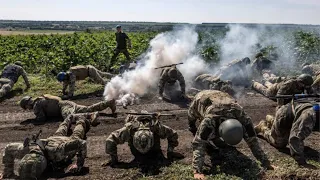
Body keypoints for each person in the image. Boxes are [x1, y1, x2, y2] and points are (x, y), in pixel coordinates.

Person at [188, 90, 273, 179]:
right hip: (201, 97)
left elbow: (253, 140)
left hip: (222, 96)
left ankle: (213, 137)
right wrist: (197, 171)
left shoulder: (244, 118)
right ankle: (193, 127)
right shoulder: (210, 121)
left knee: (212, 136)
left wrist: (266, 163)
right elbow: (199, 143)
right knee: (192, 121)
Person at [0, 113, 100, 179]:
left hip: (62, 143)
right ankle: (69, 117)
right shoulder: (24, 150)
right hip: (50, 140)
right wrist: (8, 172)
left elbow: (81, 143)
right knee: (62, 128)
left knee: (77, 132)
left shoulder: (57, 152)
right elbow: (9, 148)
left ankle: (81, 119)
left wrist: (79, 165)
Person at [105, 110, 182, 166]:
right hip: (137, 153)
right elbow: (111, 140)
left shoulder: (156, 127)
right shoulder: (129, 129)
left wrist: (170, 152)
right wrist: (114, 159)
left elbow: (173, 134)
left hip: (154, 153)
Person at [255, 102, 319, 166]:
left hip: (295, 119)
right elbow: (295, 138)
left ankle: (272, 120)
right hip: (284, 118)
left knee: (296, 128)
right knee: (279, 144)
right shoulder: (308, 116)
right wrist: (301, 161)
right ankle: (263, 128)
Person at [19, 94, 116, 122]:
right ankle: (108, 103)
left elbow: (41, 119)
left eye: (26, 107)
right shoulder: (40, 98)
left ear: (27, 104)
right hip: (66, 103)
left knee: (68, 118)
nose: (28, 109)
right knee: (88, 108)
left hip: (63, 107)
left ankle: (91, 116)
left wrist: (33, 121)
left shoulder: (36, 106)